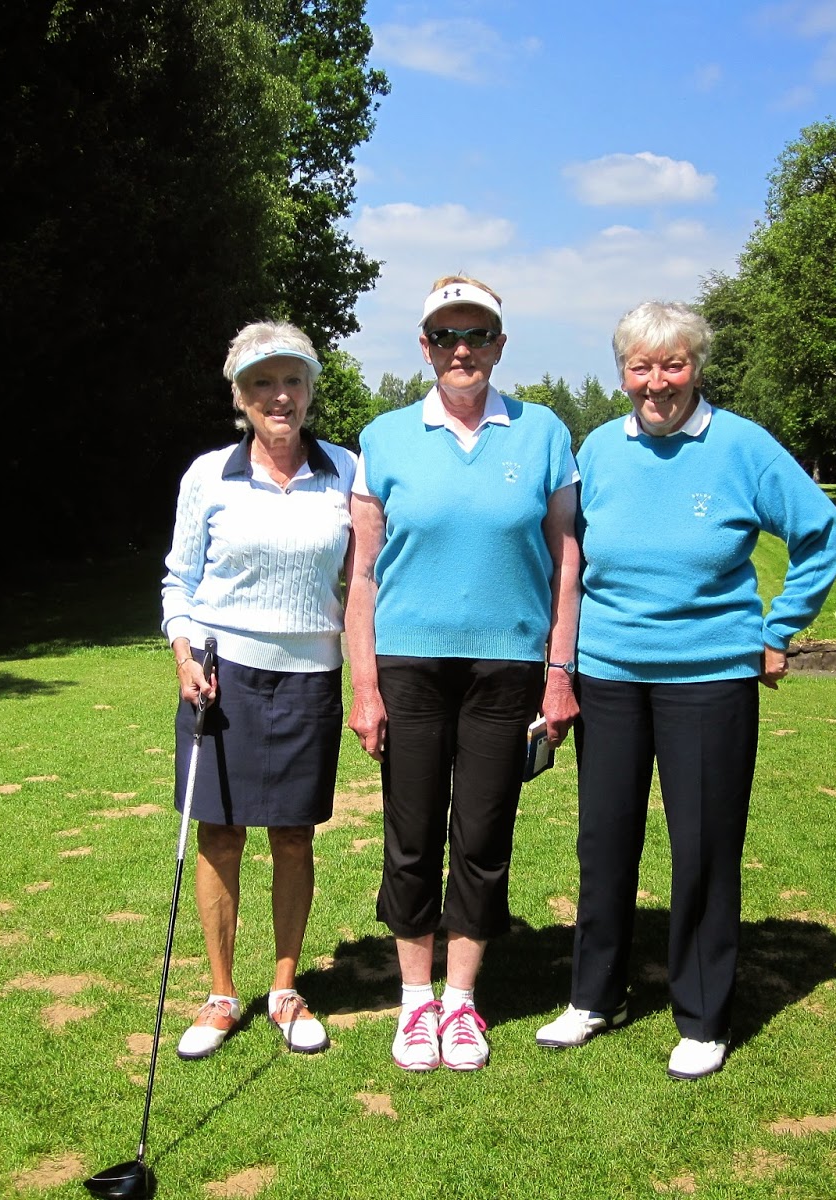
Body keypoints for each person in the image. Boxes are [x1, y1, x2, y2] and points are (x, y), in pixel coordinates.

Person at [534, 300, 836, 1079]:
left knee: (704, 845)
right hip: (609, 674)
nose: (656, 382)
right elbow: (569, 554)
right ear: (622, 375)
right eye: (640, 367)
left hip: (709, 677)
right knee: (603, 840)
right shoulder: (600, 448)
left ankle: (704, 1014)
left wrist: (778, 630)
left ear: (697, 367)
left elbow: (824, 533)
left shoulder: (742, 445)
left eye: (672, 364)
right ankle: (594, 995)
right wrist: (562, 663)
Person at [346, 276, 581, 1072]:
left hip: (506, 666)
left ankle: (462, 1002)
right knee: (412, 836)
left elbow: (565, 560)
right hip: (407, 663)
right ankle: (416, 1004)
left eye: (477, 335)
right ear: (424, 347)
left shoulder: (544, 432)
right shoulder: (383, 438)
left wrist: (559, 669)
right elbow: (365, 575)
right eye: (446, 335)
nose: (462, 350)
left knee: (482, 835)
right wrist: (366, 686)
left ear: (500, 346)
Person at [160, 320, 357, 1060]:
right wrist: (183, 653)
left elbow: (366, 579)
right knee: (219, 834)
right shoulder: (209, 475)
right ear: (240, 396)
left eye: (294, 380)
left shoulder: (347, 469)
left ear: (310, 389)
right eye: (263, 383)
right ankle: (219, 993)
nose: (281, 396)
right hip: (221, 673)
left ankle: (284, 987)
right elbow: (179, 579)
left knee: (293, 836)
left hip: (311, 675)